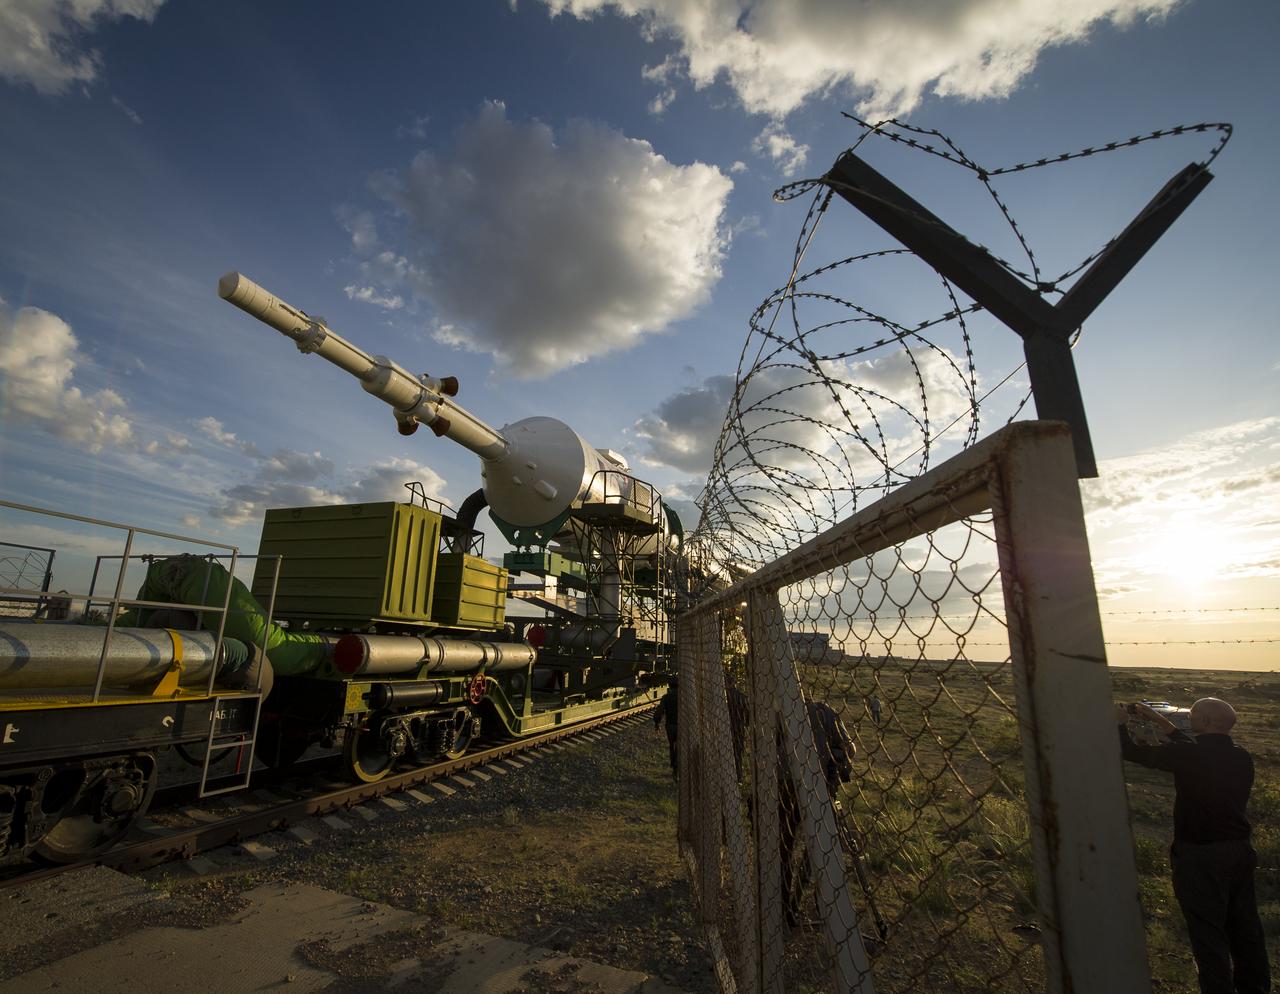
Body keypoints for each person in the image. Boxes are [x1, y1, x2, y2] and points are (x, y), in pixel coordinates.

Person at [1116, 698, 1270, 994]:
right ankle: (1255, 988)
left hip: (1200, 855)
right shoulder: (1240, 756)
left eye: (1195, 716)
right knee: (1245, 927)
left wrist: (1119, 724)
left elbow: (1130, 752)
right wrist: (1155, 718)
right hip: (1239, 851)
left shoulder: (1190, 755)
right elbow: (1188, 744)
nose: (1190, 720)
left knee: (1207, 931)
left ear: (1207, 723)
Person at [653, 677, 679, 779]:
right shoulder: (683, 697)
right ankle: (677, 768)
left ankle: (673, 766)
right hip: (680, 725)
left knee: (671, 745)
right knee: (678, 746)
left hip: (670, 726)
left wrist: (657, 723)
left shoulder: (666, 697)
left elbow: (660, 711)